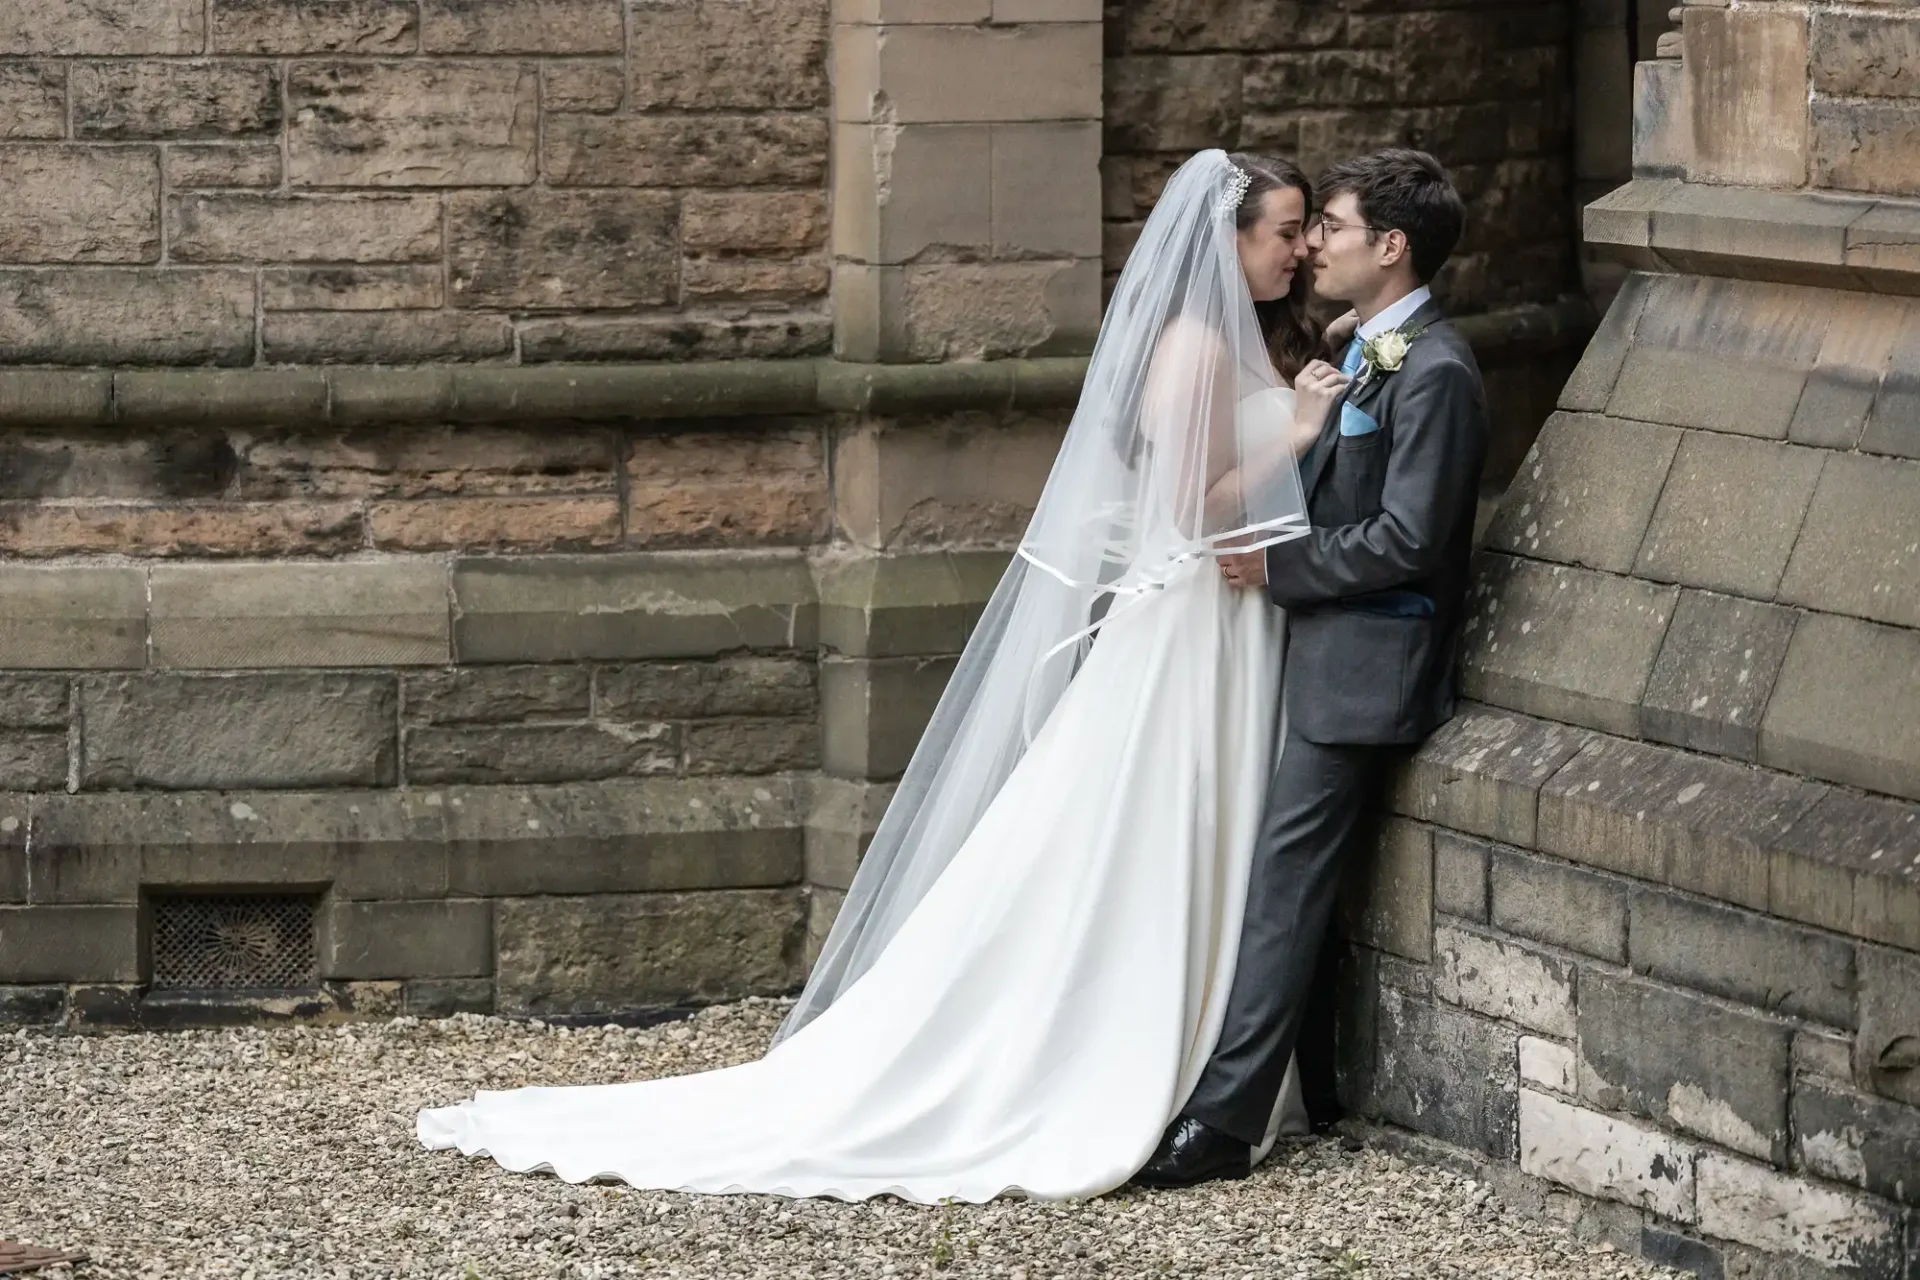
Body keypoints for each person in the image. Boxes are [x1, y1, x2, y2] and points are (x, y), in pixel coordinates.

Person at [417, 149, 1351, 1202]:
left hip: (1225, 622)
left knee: (1184, 828)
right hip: (1190, 626)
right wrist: (1302, 430)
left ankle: (1203, 1050)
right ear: (1226, 242)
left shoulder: (1239, 340)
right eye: (1283, 230)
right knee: (1146, 827)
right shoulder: (1189, 346)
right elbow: (1192, 506)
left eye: (1307, 229)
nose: (1300, 247)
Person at [1136, 149, 1489, 1189]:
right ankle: (1319, 1083)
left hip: (1362, 665)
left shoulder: (1438, 369)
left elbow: (1410, 538)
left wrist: (1278, 564)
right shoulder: (1369, 348)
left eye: (1331, 226)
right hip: (1311, 649)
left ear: (1390, 247)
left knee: (1285, 883)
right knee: (1285, 875)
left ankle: (1225, 1123)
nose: (1315, 245)